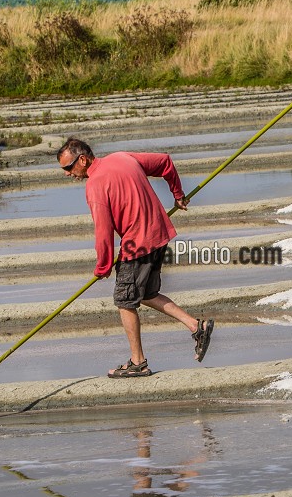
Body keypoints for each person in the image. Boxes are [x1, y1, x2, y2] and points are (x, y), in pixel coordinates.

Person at [57, 137, 214, 378]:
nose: (68, 174)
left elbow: (103, 230)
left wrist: (103, 265)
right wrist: (178, 193)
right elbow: (165, 162)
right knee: (147, 294)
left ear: (82, 159)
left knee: (124, 300)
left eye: (68, 168)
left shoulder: (95, 185)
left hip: (137, 243)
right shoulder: (122, 157)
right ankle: (196, 326)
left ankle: (137, 362)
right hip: (158, 232)